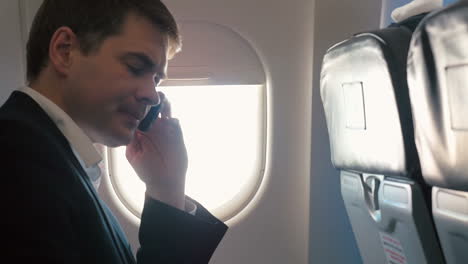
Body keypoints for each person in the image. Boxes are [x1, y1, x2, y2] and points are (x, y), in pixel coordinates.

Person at [0, 0, 228, 263]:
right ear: (65, 51)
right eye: (136, 67)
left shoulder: (54, 158)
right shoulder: (16, 163)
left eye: (156, 79)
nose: (153, 96)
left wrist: (167, 188)